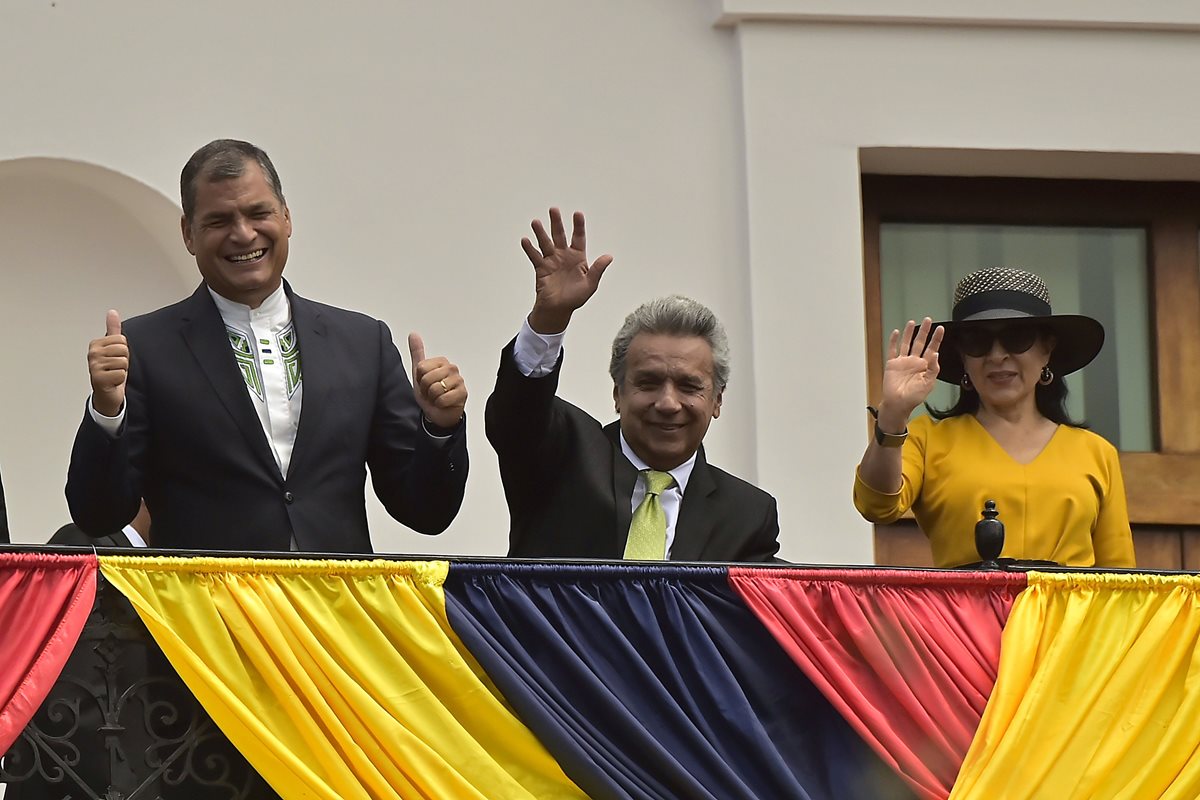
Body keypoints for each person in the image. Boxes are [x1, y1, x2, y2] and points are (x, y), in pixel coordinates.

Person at [66, 139, 468, 552]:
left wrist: (439, 427)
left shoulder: (364, 342)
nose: (243, 234)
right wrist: (107, 414)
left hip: (335, 607)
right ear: (189, 233)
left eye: (259, 213)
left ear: (287, 217)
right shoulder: (146, 348)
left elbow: (425, 512)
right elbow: (99, 516)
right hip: (205, 610)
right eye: (219, 221)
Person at [486, 208, 780, 561]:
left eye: (689, 386)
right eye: (649, 383)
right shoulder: (563, 453)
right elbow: (516, 419)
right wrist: (550, 320)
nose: (668, 403)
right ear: (617, 393)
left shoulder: (747, 515)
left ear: (717, 400)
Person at [854, 267, 1135, 568]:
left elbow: (1122, 578)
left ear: (1047, 349)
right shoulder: (927, 438)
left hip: (1072, 615)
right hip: (964, 614)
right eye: (978, 341)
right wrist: (893, 416)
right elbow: (877, 506)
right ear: (962, 356)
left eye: (1017, 337)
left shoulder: (1096, 452)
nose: (997, 355)